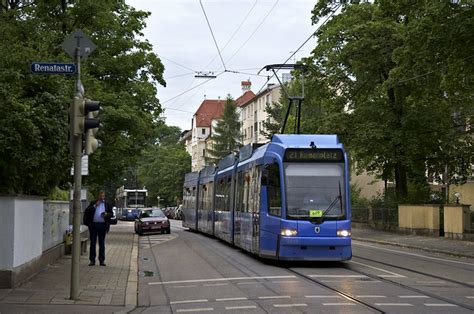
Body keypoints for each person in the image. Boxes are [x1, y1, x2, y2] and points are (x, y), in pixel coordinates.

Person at [83, 191, 113, 266]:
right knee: (93, 243)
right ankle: (92, 260)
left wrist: (106, 214)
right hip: (93, 225)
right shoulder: (93, 203)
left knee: (101, 243)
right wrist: (95, 206)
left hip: (103, 225)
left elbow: (111, 214)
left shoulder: (107, 204)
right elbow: (87, 211)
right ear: (98, 197)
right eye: (100, 196)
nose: (102, 198)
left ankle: (101, 260)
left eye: (103, 196)